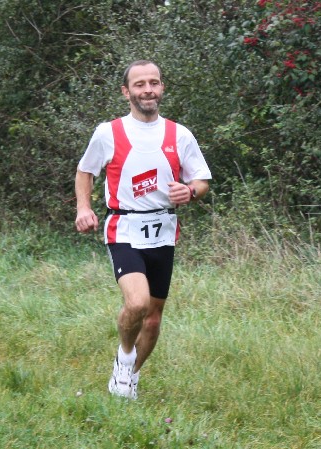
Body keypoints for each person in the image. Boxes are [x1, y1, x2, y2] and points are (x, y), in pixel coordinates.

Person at [74, 60, 211, 399]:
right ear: (126, 92)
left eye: (154, 82)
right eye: (139, 84)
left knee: (152, 319)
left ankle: (129, 378)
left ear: (162, 88)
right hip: (124, 227)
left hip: (163, 230)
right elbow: (85, 171)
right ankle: (124, 358)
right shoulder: (109, 133)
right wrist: (84, 208)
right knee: (137, 304)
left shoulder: (180, 134)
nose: (148, 89)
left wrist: (190, 192)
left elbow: (201, 180)